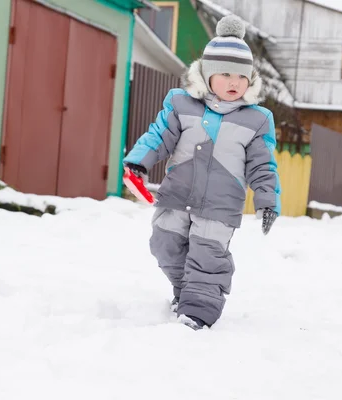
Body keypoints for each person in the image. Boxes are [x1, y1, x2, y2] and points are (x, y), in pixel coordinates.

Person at [122, 15, 281, 330]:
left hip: (220, 204)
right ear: (207, 75)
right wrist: (140, 160)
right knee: (164, 243)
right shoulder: (181, 104)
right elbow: (159, 135)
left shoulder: (257, 119)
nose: (234, 82)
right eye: (225, 74)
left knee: (207, 256)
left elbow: (263, 164)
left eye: (241, 76)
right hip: (177, 193)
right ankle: (185, 292)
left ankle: (198, 312)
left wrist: (267, 199)